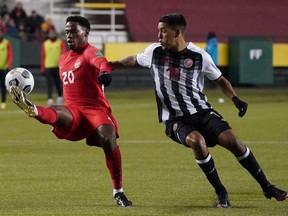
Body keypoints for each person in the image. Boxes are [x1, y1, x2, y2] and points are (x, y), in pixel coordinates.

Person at [110, 13, 287, 208]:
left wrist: (235, 99)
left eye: (163, 31)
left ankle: (267, 186)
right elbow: (132, 60)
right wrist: (109, 66)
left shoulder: (199, 56)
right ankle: (221, 192)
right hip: (176, 119)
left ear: (177, 32)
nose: (159, 35)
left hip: (202, 112)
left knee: (234, 142)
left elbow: (220, 79)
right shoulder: (154, 52)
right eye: (158, 31)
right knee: (197, 142)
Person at [8, 15, 132, 207]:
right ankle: (31, 108)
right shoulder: (63, 59)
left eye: (74, 31)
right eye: (67, 32)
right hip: (73, 109)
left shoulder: (90, 51)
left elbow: (101, 62)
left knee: (108, 139)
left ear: (86, 32)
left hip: (95, 108)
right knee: (54, 113)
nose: (69, 35)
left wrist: (105, 72)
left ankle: (118, 192)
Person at [41, 29, 66, 106]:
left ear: (56, 34)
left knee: (58, 83)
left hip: (58, 67)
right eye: (51, 33)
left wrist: (63, 66)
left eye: (53, 33)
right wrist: (42, 67)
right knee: (49, 84)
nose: (52, 35)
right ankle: (50, 99)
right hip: (48, 66)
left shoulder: (60, 43)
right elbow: (43, 56)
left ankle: (59, 97)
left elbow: (63, 54)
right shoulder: (45, 44)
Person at [0, 29, 13, 109]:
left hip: (3, 68)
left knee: (3, 86)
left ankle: (3, 102)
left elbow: (10, 54)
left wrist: (9, 64)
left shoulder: (6, 43)